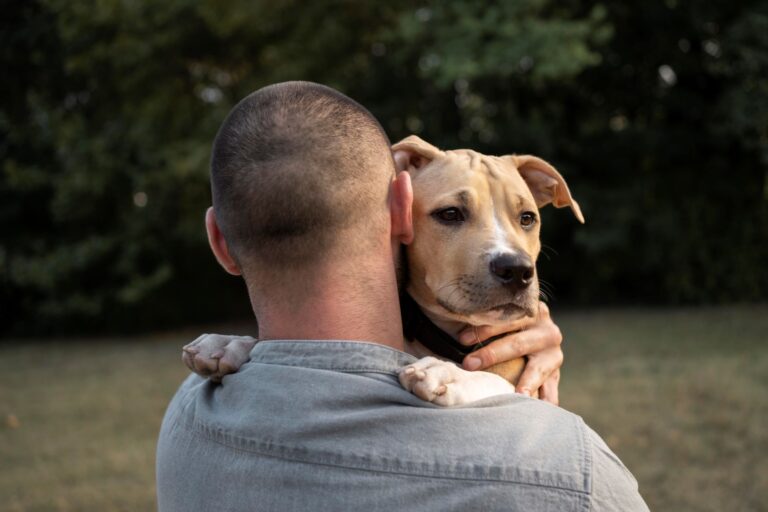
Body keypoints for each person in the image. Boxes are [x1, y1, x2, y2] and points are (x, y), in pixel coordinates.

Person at [156, 81, 648, 511]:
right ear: (399, 208)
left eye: (527, 219)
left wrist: (255, 353)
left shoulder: (187, 415)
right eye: (452, 215)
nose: (515, 257)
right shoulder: (574, 476)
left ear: (220, 242)